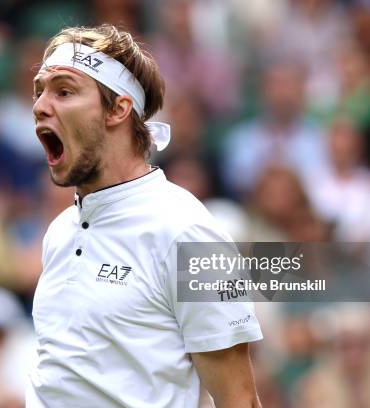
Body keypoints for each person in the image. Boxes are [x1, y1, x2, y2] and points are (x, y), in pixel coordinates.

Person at [29, 24, 263, 407]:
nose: (40, 106)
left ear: (118, 109)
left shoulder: (187, 231)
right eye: (39, 91)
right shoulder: (59, 231)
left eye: (64, 91)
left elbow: (240, 401)